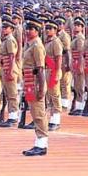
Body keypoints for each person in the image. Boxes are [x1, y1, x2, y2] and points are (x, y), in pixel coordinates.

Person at [22, 16, 48, 156]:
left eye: (31, 29)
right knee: (34, 112)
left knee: (39, 114)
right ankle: (38, 142)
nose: (28, 31)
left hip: (35, 82)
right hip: (29, 81)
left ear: (37, 31)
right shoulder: (30, 44)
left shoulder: (37, 46)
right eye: (27, 28)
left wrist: (42, 88)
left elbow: (40, 69)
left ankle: (42, 144)